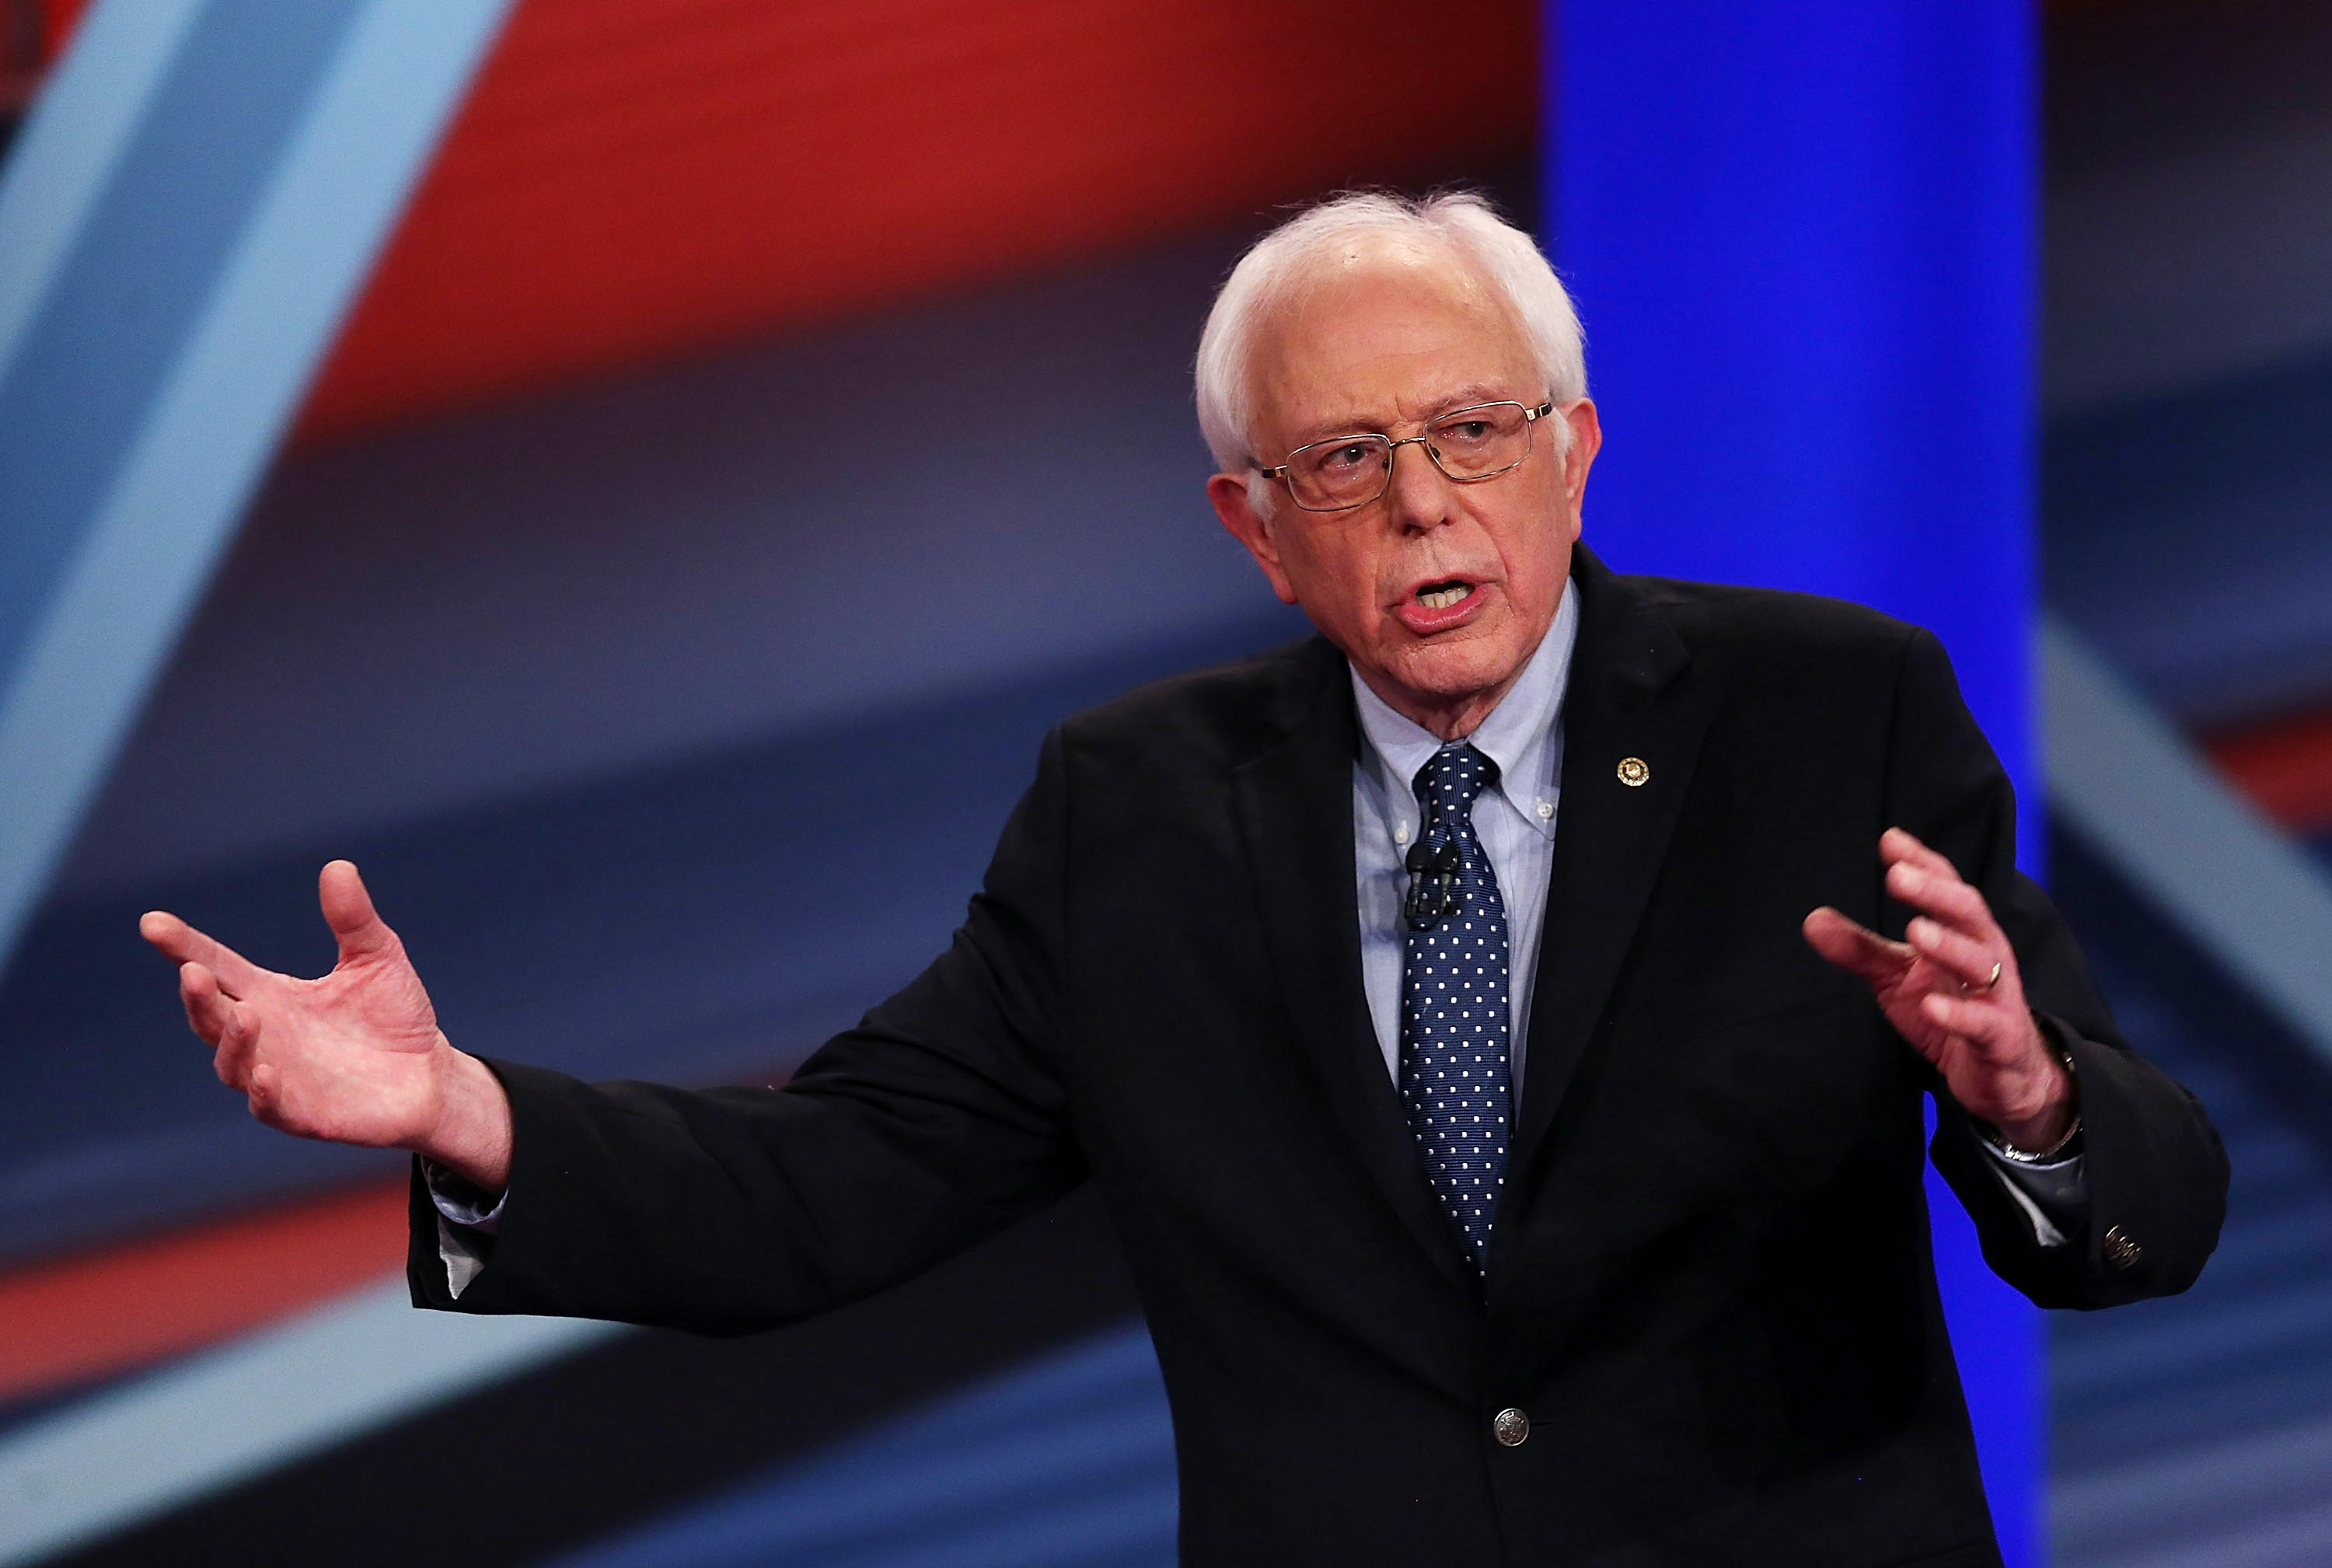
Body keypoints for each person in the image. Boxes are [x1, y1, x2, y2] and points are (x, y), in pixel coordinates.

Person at [140, 191, 2226, 1567]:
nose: (1423, 503)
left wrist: (2029, 1102)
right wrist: (456, 1109)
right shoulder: (1135, 809)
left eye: (1474, 432)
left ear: (1576, 447)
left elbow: (2143, 1215)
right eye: (1344, 462)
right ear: (1253, 524)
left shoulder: (1825, 714)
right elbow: (840, 1181)